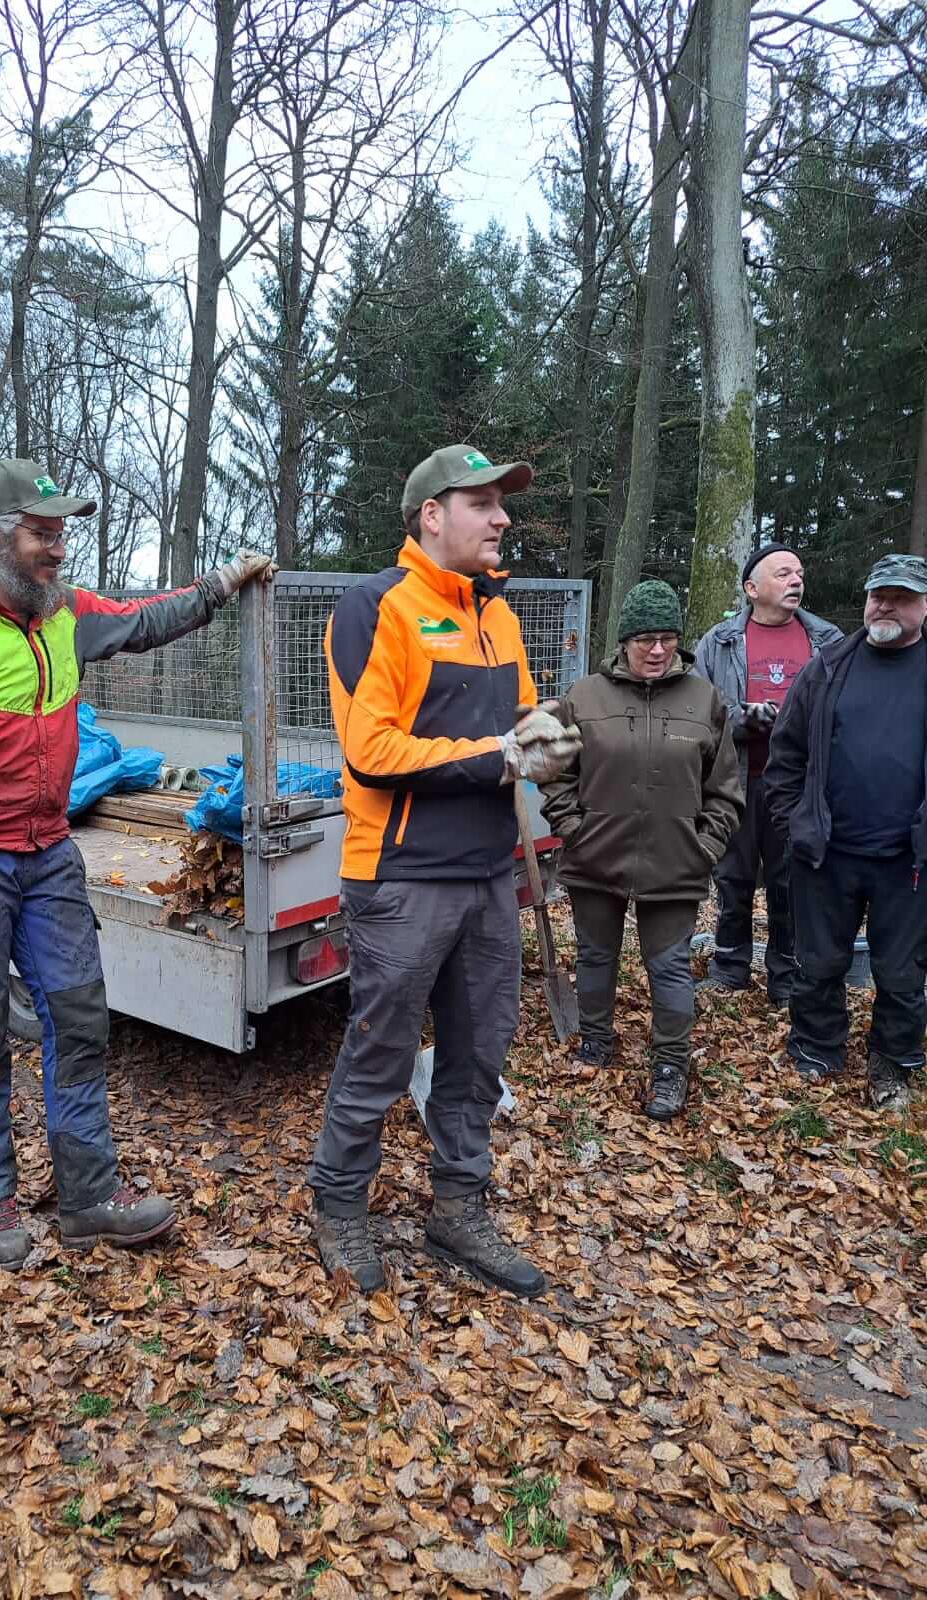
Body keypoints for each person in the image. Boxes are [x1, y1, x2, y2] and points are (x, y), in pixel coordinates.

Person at [0, 456, 273, 1269]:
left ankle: (89, 1197)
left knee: (80, 1019)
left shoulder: (63, 614)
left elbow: (143, 617)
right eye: (41, 532)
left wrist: (224, 583)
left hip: (49, 854)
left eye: (61, 533)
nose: (57, 548)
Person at [307, 445, 580, 1299]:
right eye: (483, 503)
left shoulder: (496, 615)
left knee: (479, 1055)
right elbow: (371, 748)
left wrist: (545, 737)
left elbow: (521, 721)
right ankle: (338, 1203)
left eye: (504, 504)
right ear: (433, 514)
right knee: (381, 1053)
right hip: (398, 877)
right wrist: (500, 758)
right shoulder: (375, 608)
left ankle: (457, 1207)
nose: (502, 517)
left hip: (487, 874)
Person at [540, 581, 743, 1120]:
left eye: (668, 639)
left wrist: (706, 846)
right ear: (624, 641)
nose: (658, 650)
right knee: (595, 955)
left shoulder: (704, 700)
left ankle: (671, 1067)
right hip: (595, 857)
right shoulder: (585, 697)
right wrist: (571, 826)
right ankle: (596, 1043)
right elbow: (554, 772)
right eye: (646, 639)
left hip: (676, 862)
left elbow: (725, 787)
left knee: (670, 966)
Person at [766, 553, 927, 1111]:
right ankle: (816, 1046)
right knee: (819, 960)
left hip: (908, 860)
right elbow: (784, 755)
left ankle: (892, 1060)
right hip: (826, 852)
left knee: (902, 972)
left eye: (900, 597)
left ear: (922, 606)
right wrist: (794, 822)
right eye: (878, 594)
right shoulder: (829, 665)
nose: (886, 605)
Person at [692, 547, 841, 1005]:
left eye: (799, 572)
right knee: (733, 876)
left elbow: (843, 710)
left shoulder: (828, 640)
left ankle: (786, 974)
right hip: (736, 778)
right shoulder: (718, 642)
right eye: (783, 573)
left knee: (789, 879)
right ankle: (730, 967)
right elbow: (700, 709)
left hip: (797, 786)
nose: (796, 580)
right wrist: (746, 718)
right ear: (752, 589)